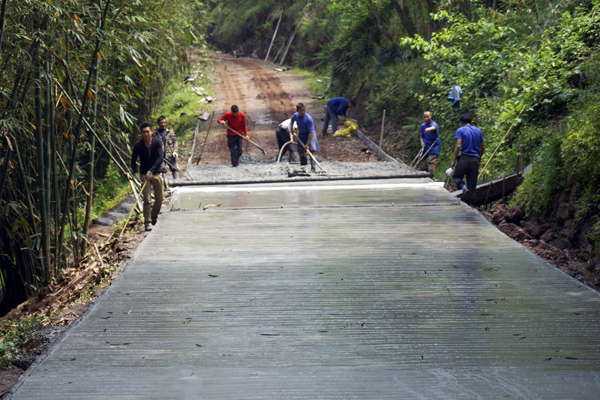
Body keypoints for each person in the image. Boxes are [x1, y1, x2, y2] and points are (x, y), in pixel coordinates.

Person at [131, 121, 164, 231]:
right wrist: (136, 174)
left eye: (148, 132)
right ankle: (147, 222)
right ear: (141, 133)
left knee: (159, 199)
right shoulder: (138, 146)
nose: (146, 134)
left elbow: (160, 158)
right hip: (144, 175)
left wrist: (152, 170)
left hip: (156, 173)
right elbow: (133, 161)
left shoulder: (157, 142)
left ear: (151, 131)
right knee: (147, 199)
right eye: (144, 132)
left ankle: (153, 217)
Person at [451, 113, 485, 204]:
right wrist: (479, 157)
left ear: (461, 122)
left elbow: (458, 145)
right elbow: (483, 147)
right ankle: (470, 204)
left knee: (456, 176)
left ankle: (463, 187)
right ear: (471, 121)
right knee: (472, 183)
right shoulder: (478, 131)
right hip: (475, 159)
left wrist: (454, 160)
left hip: (464, 158)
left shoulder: (460, 130)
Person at [291, 103, 319, 171]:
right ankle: (303, 167)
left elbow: (310, 132)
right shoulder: (295, 115)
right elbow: (292, 119)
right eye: (301, 110)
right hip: (302, 134)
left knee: (311, 151)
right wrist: (292, 128)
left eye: (304, 110)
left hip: (310, 135)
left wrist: (307, 144)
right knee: (301, 151)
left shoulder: (309, 119)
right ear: (297, 110)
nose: (303, 112)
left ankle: (313, 168)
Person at [153, 116, 179, 183]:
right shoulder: (155, 134)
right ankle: (166, 186)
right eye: (161, 123)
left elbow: (175, 142)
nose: (163, 124)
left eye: (164, 122)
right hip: (160, 156)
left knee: (175, 169)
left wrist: (175, 151)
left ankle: (177, 183)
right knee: (162, 170)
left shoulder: (170, 132)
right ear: (158, 123)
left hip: (170, 154)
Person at [418, 111, 441, 177]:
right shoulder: (423, 125)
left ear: (431, 117)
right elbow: (421, 136)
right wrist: (422, 142)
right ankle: (423, 172)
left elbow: (434, 127)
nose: (426, 118)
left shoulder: (433, 124)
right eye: (425, 117)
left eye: (427, 117)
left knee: (432, 160)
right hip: (426, 143)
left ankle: (431, 175)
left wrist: (429, 129)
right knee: (421, 156)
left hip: (434, 143)